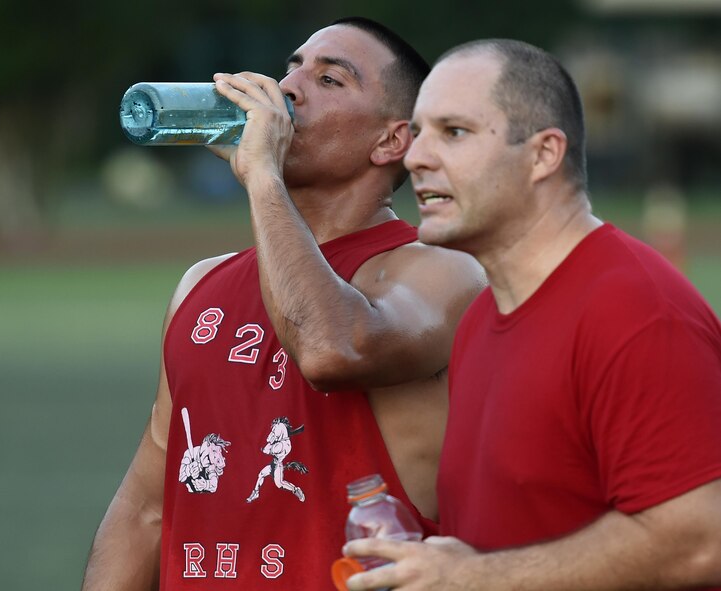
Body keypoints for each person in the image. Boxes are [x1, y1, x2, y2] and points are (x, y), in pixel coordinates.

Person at [80, 17, 485, 591]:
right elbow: (146, 511)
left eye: (330, 80)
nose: (288, 88)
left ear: (391, 141)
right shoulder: (202, 284)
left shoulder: (441, 272)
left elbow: (329, 349)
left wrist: (263, 176)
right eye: (292, 67)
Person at [342, 39, 721, 590]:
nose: (417, 156)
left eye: (454, 132)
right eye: (419, 132)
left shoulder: (634, 311)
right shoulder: (478, 321)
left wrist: (480, 578)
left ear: (544, 154)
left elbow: (701, 540)